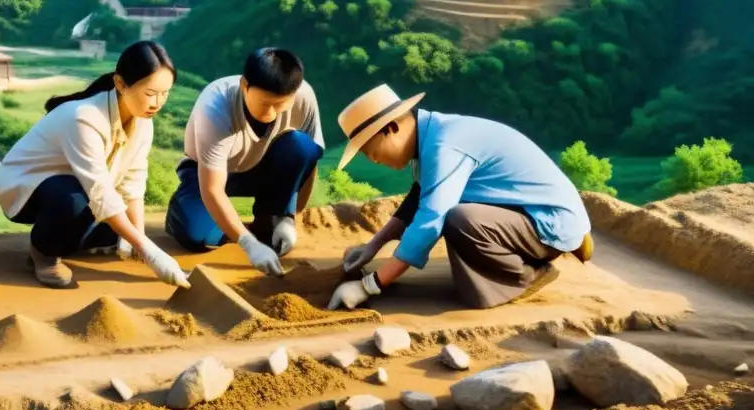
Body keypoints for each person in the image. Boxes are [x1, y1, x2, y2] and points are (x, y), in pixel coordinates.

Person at [326, 84, 593, 311]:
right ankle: (517, 261)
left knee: (458, 219)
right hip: (526, 212)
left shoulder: (445, 145)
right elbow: (419, 196)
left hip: (547, 220)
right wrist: (373, 246)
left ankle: (526, 275)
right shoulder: (431, 138)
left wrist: (370, 285)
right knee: (455, 221)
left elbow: (431, 219)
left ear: (391, 128)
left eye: (370, 150)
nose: (373, 159)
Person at [0, 40, 190, 290]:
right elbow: (100, 190)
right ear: (120, 84)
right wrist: (151, 252)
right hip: (26, 188)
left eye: (165, 93)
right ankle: (42, 256)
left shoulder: (143, 121)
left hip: (77, 185)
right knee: (76, 202)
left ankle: (71, 238)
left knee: (114, 227)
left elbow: (134, 180)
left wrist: (140, 241)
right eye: (150, 93)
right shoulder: (84, 118)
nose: (157, 103)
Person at [164, 47, 326, 276]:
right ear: (244, 85)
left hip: (264, 168)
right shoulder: (215, 105)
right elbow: (212, 189)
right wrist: (248, 244)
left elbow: (307, 163)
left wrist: (290, 218)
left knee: (301, 145)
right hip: (209, 174)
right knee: (198, 236)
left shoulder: (304, 96)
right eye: (263, 103)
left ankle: (270, 218)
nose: (270, 112)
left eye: (279, 105)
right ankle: (180, 212)